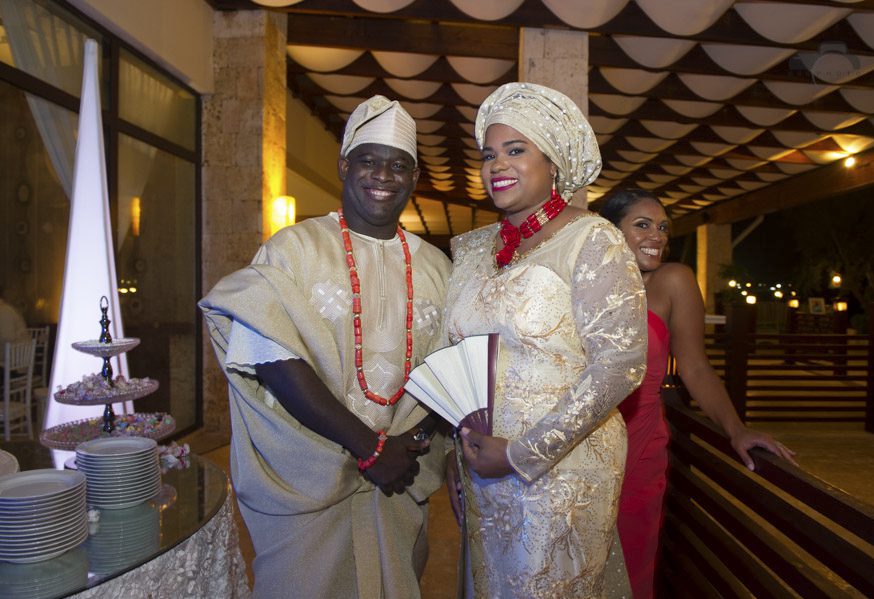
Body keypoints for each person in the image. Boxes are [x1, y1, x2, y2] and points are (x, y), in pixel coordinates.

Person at [199, 96, 452, 599]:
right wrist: (369, 447)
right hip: (307, 477)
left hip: (400, 478)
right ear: (344, 166)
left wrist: (410, 443)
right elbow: (271, 358)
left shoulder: (437, 268)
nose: (383, 175)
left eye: (398, 165)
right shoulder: (292, 249)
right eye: (368, 160)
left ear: (415, 177)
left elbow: (450, 369)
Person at [443, 82, 647, 598]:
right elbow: (456, 359)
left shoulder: (593, 239)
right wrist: (456, 450)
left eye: (516, 150)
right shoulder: (471, 250)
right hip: (481, 465)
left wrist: (522, 453)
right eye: (489, 154)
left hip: (561, 472)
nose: (497, 165)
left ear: (553, 163)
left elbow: (619, 365)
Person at [599, 188, 798, 598]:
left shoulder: (673, 280)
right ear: (611, 231)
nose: (657, 236)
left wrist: (736, 428)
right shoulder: (583, 284)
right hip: (584, 441)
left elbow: (695, 367)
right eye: (642, 225)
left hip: (640, 443)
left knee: (629, 564)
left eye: (663, 228)